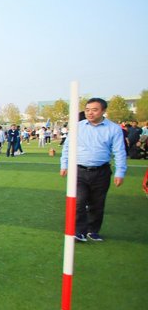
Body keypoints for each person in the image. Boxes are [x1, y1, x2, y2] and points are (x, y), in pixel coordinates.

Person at [60, 97, 127, 242]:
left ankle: (93, 230)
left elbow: (119, 151)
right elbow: (67, 147)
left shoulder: (113, 129)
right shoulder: (78, 127)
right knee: (79, 201)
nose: (90, 113)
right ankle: (80, 232)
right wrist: (64, 165)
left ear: (103, 111)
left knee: (97, 203)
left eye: (94, 110)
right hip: (78, 171)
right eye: (87, 110)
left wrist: (120, 172)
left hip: (101, 172)